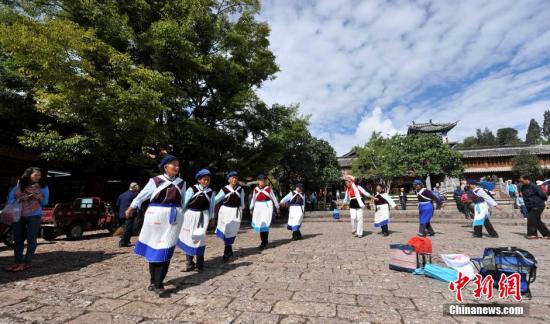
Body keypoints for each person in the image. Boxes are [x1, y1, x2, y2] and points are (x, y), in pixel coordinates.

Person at [125, 155, 186, 295]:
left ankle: (159, 283)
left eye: (178, 165)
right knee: (154, 246)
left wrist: (182, 216)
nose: (176, 167)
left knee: (166, 247)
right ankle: (153, 281)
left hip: (174, 217)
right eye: (173, 164)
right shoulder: (156, 181)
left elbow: (182, 201)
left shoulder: (182, 183)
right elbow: (142, 195)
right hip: (155, 216)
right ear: (166, 167)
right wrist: (131, 207)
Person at [5, 167, 49, 273]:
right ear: (29, 175)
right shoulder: (18, 187)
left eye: (39, 175)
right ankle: (17, 262)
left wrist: (39, 198)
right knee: (18, 240)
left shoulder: (43, 187)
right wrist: (20, 199)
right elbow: (10, 200)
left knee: (31, 239)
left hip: (34, 216)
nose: (38, 177)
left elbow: (45, 202)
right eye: (36, 175)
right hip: (18, 215)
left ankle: (27, 263)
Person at [178, 169, 215, 271]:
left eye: (208, 180)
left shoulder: (211, 192)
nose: (206, 182)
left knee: (200, 239)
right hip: (190, 216)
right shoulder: (192, 189)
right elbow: (184, 203)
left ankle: (200, 264)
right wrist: (179, 215)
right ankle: (189, 263)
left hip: (203, 216)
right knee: (188, 238)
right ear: (199, 180)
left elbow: (211, 207)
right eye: (204, 179)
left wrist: (211, 218)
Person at [213, 171, 245, 262]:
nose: (234, 179)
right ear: (229, 180)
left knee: (233, 232)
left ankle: (229, 250)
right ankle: (226, 253)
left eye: (235, 178)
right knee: (226, 231)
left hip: (236, 212)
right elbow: (216, 200)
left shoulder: (240, 190)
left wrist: (241, 213)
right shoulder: (224, 190)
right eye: (232, 178)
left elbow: (242, 203)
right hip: (225, 212)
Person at [250, 174, 279, 249]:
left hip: (267, 207)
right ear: (258, 181)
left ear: (265, 181)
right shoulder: (255, 189)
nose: (262, 182)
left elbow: (274, 198)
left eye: (263, 180)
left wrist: (277, 206)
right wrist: (251, 207)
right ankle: (263, 240)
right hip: (258, 207)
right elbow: (253, 199)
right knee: (260, 224)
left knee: (265, 223)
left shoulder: (268, 189)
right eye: (260, 180)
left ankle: (264, 241)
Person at [519, 175, 550, 240]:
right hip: (529, 206)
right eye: (520, 181)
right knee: (537, 220)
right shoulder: (523, 187)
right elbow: (524, 196)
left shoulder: (534, 186)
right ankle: (547, 234)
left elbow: (542, 195)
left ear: (527, 179)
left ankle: (532, 234)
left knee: (531, 218)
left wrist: (539, 201)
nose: (521, 182)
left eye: (522, 181)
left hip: (537, 205)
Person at [116, 182, 140, 247]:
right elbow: (137, 204)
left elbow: (117, 204)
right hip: (129, 213)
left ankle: (126, 241)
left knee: (125, 228)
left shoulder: (122, 194)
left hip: (121, 214)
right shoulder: (135, 195)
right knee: (128, 228)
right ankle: (123, 242)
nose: (138, 188)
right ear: (134, 187)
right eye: (137, 186)